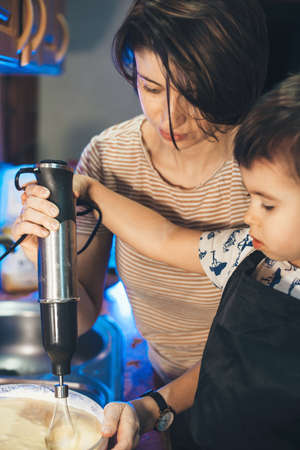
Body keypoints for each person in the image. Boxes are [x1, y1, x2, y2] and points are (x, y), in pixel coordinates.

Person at [12, 1, 268, 448]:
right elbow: (82, 320)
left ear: (231, 79)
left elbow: (268, 334)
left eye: (193, 93)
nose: (172, 117)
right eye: (151, 87)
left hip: (257, 391)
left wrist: (92, 192)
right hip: (161, 391)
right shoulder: (110, 159)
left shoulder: (268, 165)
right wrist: (46, 263)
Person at [72, 72, 300, 449]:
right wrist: (89, 191)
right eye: (249, 197)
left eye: (268, 204)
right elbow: (165, 237)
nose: (249, 215)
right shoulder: (249, 254)